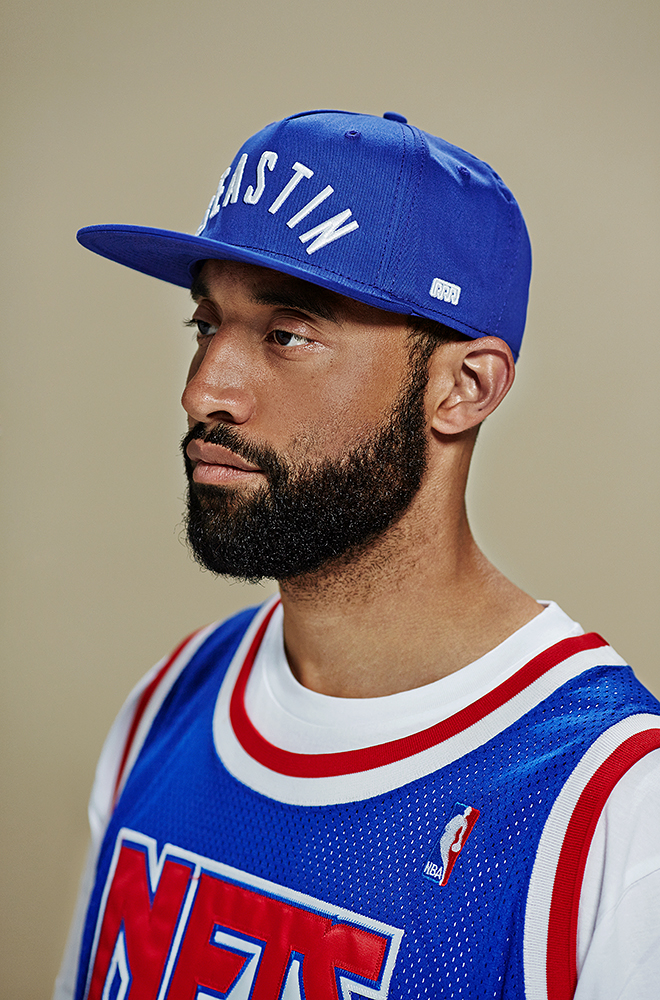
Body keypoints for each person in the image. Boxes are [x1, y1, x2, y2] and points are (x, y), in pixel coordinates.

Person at [56, 110, 660, 1000]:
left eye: (287, 334)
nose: (204, 390)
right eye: (205, 325)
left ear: (465, 387)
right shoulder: (168, 704)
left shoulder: (613, 803)